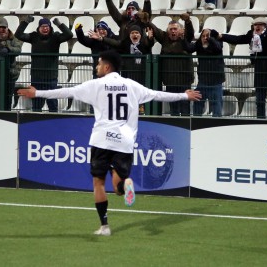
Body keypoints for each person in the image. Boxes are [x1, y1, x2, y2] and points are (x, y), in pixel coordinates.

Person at [17, 50, 202, 236]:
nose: (97, 67)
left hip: (102, 139)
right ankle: (125, 183)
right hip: (124, 141)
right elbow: (157, 95)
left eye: (98, 64)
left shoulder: (96, 85)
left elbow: (66, 91)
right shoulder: (131, 86)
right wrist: (184, 96)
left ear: (106, 67)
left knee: (98, 183)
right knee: (118, 188)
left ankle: (104, 227)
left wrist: (38, 93)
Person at [219, 17, 267, 118]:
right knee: (260, 100)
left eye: (260, 24)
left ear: (266, 26)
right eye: (255, 25)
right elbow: (238, 39)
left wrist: (266, 32)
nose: (257, 26)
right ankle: (260, 119)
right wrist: (222, 36)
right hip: (260, 71)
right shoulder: (252, 34)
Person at [15, 16, 73, 112]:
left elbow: (69, 34)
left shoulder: (56, 37)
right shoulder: (33, 36)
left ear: (50, 27)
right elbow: (18, 35)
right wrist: (25, 22)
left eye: (47, 26)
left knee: (52, 104)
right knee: (37, 104)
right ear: (39, 28)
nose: (45, 28)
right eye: (43, 26)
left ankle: (53, 123)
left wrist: (59, 24)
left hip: (51, 77)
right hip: (36, 76)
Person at [148, 14, 195, 116]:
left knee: (185, 108)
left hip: (184, 81)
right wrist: (147, 21)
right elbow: (155, 30)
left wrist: (187, 21)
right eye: (171, 29)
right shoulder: (164, 38)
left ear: (181, 30)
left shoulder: (185, 38)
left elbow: (190, 32)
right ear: (167, 31)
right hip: (170, 81)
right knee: (173, 110)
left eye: (175, 29)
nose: (173, 31)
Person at [185, 29, 225, 117]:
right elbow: (189, 49)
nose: (205, 38)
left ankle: (217, 126)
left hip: (216, 83)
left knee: (216, 108)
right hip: (202, 82)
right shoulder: (199, 44)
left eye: (207, 36)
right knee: (197, 105)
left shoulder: (217, 43)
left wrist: (210, 39)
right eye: (203, 36)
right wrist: (183, 37)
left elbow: (218, 48)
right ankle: (196, 123)